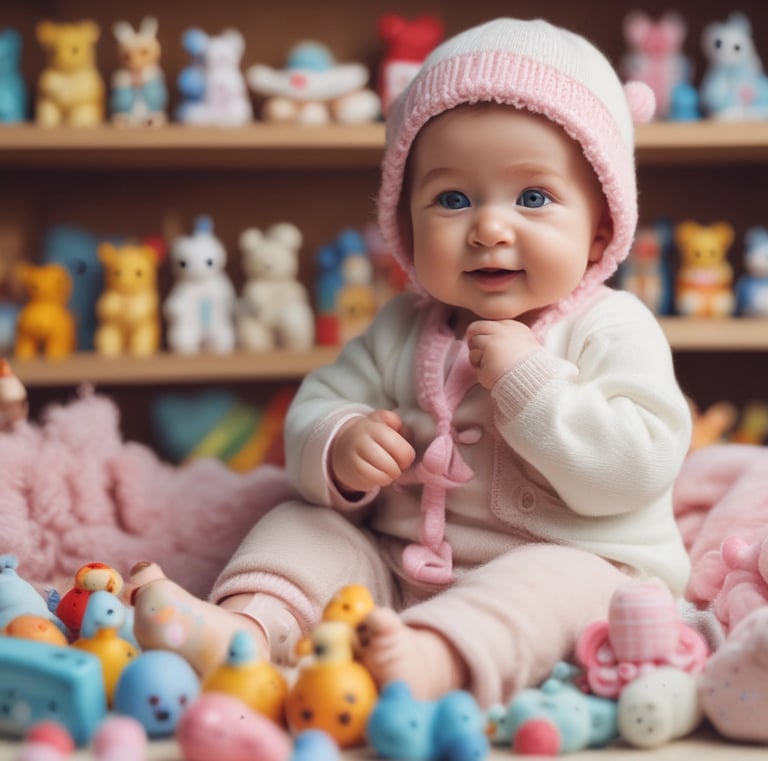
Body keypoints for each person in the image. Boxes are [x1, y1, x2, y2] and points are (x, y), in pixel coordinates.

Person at [130, 17, 693, 708]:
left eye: (533, 198)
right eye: (452, 199)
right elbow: (314, 408)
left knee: (567, 584)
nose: (490, 227)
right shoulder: (401, 326)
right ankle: (246, 628)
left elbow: (640, 465)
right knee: (304, 523)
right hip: (395, 578)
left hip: (574, 572)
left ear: (601, 227)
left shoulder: (611, 328)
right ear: (404, 222)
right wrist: (341, 444)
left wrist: (533, 385)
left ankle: (434, 658)